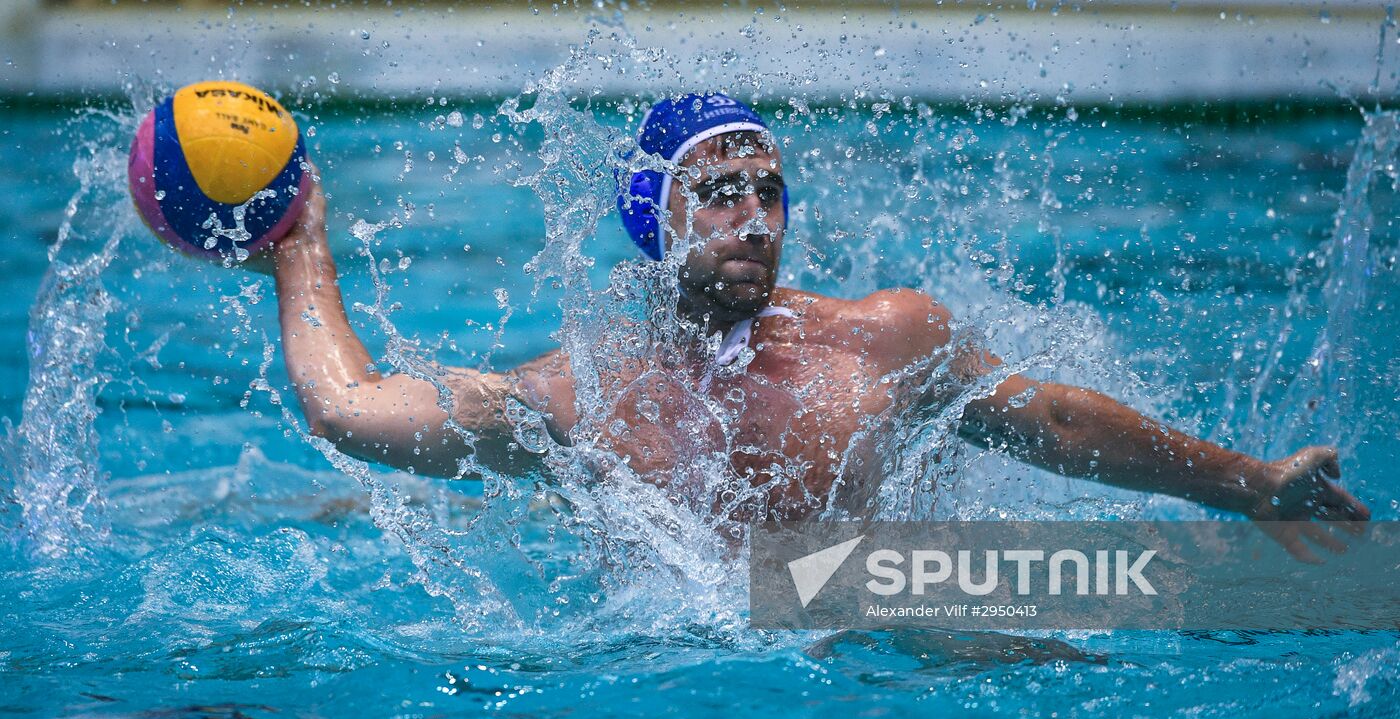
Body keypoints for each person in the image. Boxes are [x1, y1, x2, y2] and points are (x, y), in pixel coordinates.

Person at [259, 93, 1369, 562]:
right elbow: (347, 409)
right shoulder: (578, 394)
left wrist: (1244, 482)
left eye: (769, 191)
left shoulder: (880, 338)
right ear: (655, 219)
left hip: (862, 637)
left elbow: (1059, 424)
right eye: (721, 192)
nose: (754, 220)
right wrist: (302, 246)